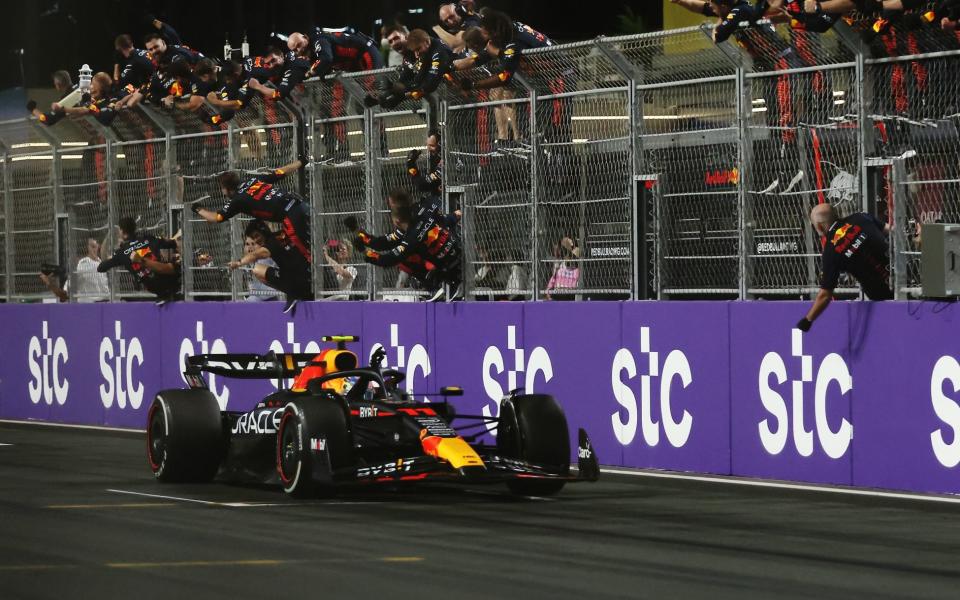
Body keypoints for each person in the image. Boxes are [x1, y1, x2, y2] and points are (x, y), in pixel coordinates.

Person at [193, 157, 311, 266]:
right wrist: (301, 162)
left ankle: (315, 279)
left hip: (291, 216)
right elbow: (279, 173)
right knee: (308, 242)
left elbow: (217, 217)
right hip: (301, 205)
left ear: (226, 188)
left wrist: (198, 209)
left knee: (307, 254)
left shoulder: (237, 199)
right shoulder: (253, 180)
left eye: (222, 189)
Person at [796, 204, 893, 332]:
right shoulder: (861, 217)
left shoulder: (831, 251)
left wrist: (808, 319)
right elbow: (891, 230)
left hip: (882, 296)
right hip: (905, 277)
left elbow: (825, 294)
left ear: (819, 226)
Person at [354, 190, 463, 302]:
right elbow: (384, 242)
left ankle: (438, 286)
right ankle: (446, 283)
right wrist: (455, 215)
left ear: (397, 220)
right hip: (459, 249)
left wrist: (365, 253)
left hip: (446, 265)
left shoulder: (409, 241)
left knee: (405, 260)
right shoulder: (425, 210)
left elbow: (387, 259)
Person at [229, 220, 312, 315]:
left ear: (264, 231)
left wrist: (239, 262)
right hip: (296, 276)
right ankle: (292, 291)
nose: (255, 240)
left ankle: (293, 291)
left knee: (258, 270)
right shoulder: (275, 238)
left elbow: (258, 254)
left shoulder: (272, 242)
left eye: (256, 236)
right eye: (252, 238)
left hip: (301, 278)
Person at [97, 217, 182, 303]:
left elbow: (100, 268)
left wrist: (113, 258)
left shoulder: (121, 253)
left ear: (122, 231)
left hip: (155, 286)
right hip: (171, 278)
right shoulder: (148, 238)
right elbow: (171, 244)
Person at [32, 72, 119, 127]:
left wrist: (32, 109)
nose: (91, 87)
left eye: (93, 84)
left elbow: (46, 119)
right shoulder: (84, 90)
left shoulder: (70, 98)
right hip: (103, 134)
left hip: (100, 137)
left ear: (58, 85)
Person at [241, 230, 280, 302]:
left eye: (253, 244)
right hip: (257, 297)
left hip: (267, 297)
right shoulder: (247, 262)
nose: (250, 247)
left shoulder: (265, 259)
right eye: (247, 244)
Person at [407, 130, 442, 194]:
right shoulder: (435, 159)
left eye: (432, 146)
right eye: (427, 145)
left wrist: (411, 164)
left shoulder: (444, 162)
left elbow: (422, 185)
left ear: (441, 144)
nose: (428, 149)